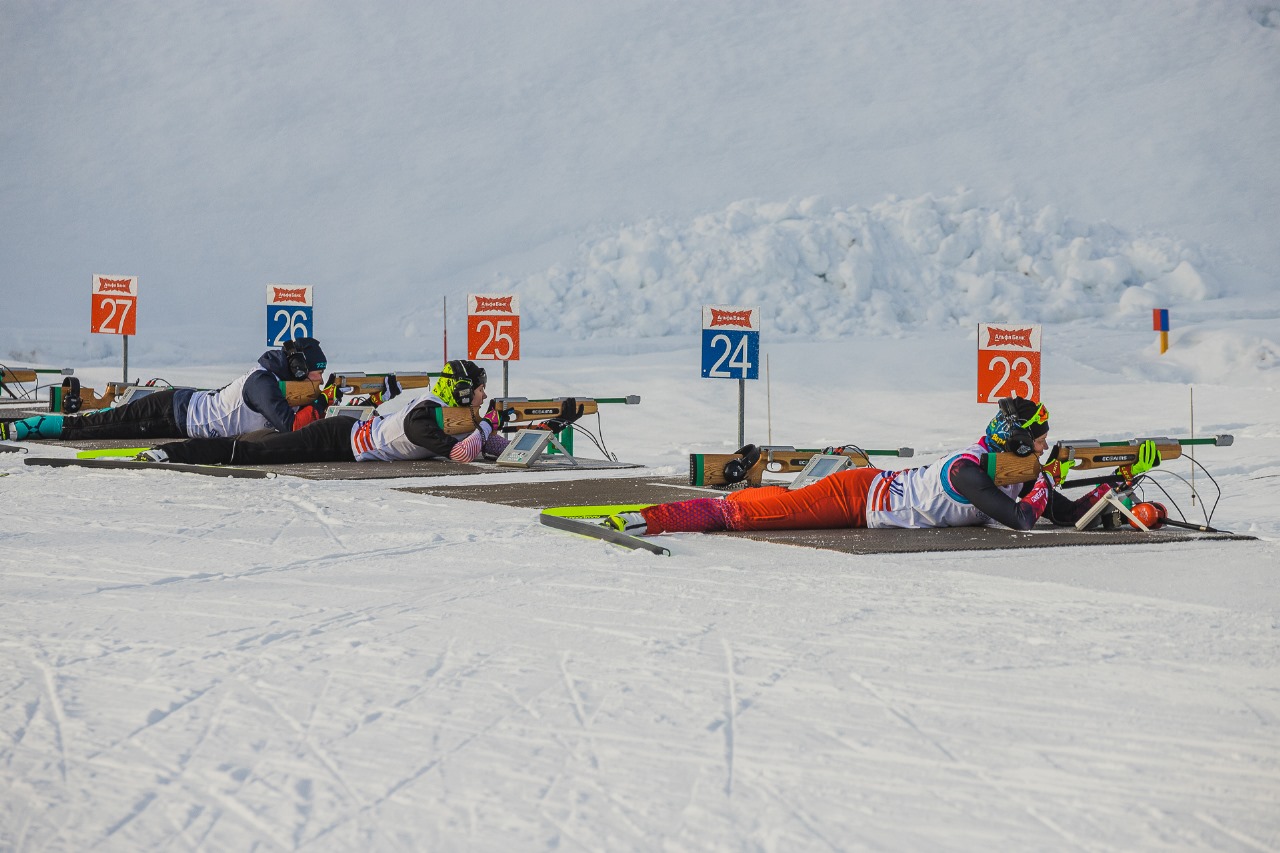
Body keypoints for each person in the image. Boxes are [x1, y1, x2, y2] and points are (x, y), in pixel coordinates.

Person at [608, 397, 1161, 536]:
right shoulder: (968, 471)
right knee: (757, 518)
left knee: (761, 508)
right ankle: (650, 518)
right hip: (857, 497)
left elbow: (1065, 517)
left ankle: (715, 506)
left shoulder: (1022, 472)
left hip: (869, 500)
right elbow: (1017, 520)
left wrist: (1118, 489)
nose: (1043, 449)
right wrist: (1044, 486)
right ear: (1014, 444)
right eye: (1037, 443)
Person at [136, 359, 583, 466]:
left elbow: (495, 448)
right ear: (462, 394)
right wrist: (488, 425)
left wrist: (539, 436)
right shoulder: (423, 417)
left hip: (351, 434)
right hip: (335, 438)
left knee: (262, 446)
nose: (485, 398)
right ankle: (173, 453)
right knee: (259, 453)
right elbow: (464, 454)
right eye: (481, 393)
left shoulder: (441, 414)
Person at [0, 337, 331, 442]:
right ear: (300, 368)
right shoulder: (262, 383)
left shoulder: (271, 382)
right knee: (90, 428)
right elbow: (291, 428)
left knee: (108, 417)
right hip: (171, 414)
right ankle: (22, 428)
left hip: (179, 408)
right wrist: (322, 403)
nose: (317, 380)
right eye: (317, 373)